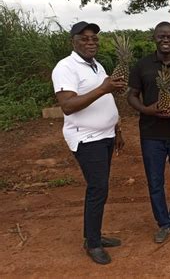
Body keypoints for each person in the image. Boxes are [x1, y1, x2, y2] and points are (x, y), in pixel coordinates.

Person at [51, 21, 127, 265]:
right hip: (86, 138)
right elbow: (68, 105)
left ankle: (94, 234)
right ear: (73, 41)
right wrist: (104, 88)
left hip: (105, 136)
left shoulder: (96, 65)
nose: (91, 42)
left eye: (94, 38)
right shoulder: (66, 67)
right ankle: (92, 242)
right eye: (84, 38)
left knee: (100, 188)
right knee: (97, 189)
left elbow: (105, 99)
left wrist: (116, 127)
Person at [127, 21, 170, 244]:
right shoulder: (143, 65)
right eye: (161, 36)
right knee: (155, 180)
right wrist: (147, 110)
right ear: (154, 38)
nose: (165, 40)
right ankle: (163, 222)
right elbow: (132, 95)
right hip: (151, 133)